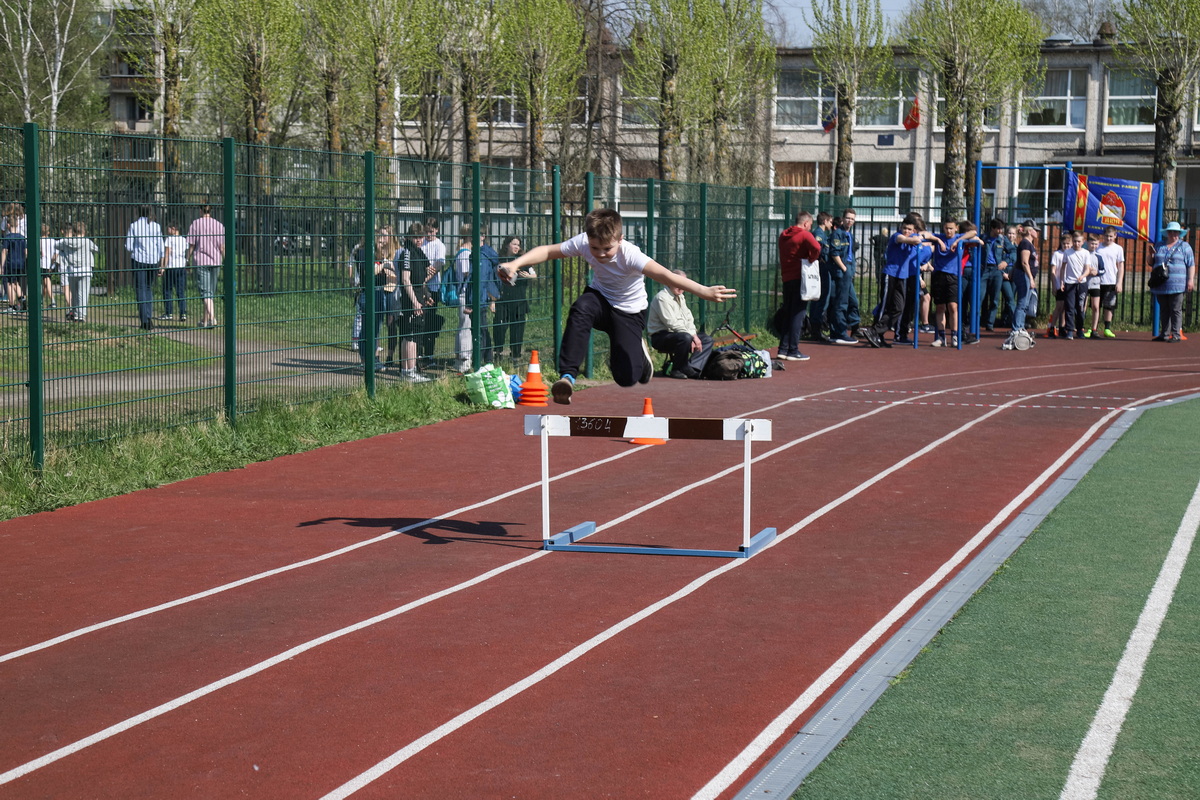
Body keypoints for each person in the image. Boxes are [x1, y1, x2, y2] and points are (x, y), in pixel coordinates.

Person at [497, 207, 735, 405]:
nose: (600, 254)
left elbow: (665, 276)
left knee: (626, 378)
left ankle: (638, 355)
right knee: (581, 307)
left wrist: (703, 290)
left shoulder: (631, 255)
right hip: (600, 299)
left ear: (619, 240)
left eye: (607, 249)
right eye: (594, 248)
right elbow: (549, 251)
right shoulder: (583, 241)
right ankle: (568, 375)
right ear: (588, 239)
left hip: (629, 312)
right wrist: (516, 263)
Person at [862, 214, 946, 348]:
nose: (906, 231)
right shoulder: (897, 237)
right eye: (904, 228)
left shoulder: (915, 237)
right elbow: (907, 239)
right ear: (901, 228)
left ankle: (876, 332)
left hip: (902, 278)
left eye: (909, 229)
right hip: (890, 275)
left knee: (898, 308)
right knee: (885, 306)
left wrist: (939, 241)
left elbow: (927, 236)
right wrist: (918, 238)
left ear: (913, 231)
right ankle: (876, 334)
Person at [648, 269, 715, 378]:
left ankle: (692, 367)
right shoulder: (662, 298)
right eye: (677, 284)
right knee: (685, 338)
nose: (681, 287)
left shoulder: (681, 297)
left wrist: (694, 336)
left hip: (682, 334)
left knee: (707, 340)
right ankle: (677, 369)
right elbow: (672, 323)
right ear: (669, 282)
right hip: (661, 337)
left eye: (683, 284)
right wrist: (692, 336)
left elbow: (689, 318)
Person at [776, 209, 820, 361]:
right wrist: (811, 258)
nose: (810, 228)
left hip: (787, 277)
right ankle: (793, 350)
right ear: (806, 223)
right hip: (801, 277)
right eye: (810, 225)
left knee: (788, 312)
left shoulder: (783, 235)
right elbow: (817, 249)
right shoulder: (805, 235)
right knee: (798, 314)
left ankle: (783, 348)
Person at [929, 219, 979, 347]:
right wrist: (939, 241)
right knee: (940, 307)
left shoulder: (959, 237)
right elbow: (923, 233)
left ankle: (955, 335)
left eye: (951, 228)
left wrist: (957, 241)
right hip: (939, 275)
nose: (948, 231)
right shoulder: (939, 237)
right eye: (946, 228)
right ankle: (941, 336)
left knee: (953, 306)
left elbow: (973, 233)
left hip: (954, 276)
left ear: (956, 228)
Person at [393, 221, 432, 382]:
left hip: (418, 298)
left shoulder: (419, 253)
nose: (419, 240)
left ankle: (409, 370)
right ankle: (408, 371)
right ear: (409, 237)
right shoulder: (407, 253)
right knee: (410, 337)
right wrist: (415, 302)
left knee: (413, 336)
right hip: (410, 301)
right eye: (416, 237)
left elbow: (421, 279)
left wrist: (426, 294)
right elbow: (405, 279)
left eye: (421, 237)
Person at [356, 229, 400, 370]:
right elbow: (368, 271)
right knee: (367, 329)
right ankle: (364, 361)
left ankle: (374, 359)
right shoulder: (362, 252)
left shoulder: (377, 254)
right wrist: (383, 265)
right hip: (368, 293)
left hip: (380, 292)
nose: (382, 243)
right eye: (379, 240)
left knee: (376, 329)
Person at [1150, 221, 1196, 343]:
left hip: (1177, 283)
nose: (1173, 234)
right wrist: (1151, 255)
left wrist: (1190, 280)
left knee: (1175, 309)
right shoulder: (1159, 245)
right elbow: (1151, 262)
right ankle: (1164, 333)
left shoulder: (1184, 246)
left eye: (1176, 232)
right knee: (1164, 309)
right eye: (1171, 232)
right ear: (1167, 233)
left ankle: (1176, 334)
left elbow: (1191, 264)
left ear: (1179, 234)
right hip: (1161, 283)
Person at [493, 235, 536, 360]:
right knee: (500, 326)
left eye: (518, 244)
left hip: (519, 300)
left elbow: (534, 275)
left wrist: (528, 276)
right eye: (514, 244)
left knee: (517, 328)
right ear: (507, 245)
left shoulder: (523, 260)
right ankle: (498, 352)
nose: (517, 247)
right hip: (502, 299)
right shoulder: (500, 259)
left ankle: (515, 354)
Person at [825, 209, 862, 345]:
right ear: (843, 219)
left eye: (852, 219)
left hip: (849, 271)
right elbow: (834, 253)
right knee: (841, 302)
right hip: (842, 271)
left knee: (853, 301)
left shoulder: (849, 235)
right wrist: (844, 268)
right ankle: (839, 333)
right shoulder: (838, 234)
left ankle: (854, 326)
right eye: (848, 218)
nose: (850, 221)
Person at [187, 204, 225, 329]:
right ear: (211, 211)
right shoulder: (219, 225)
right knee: (210, 293)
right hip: (215, 261)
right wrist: (225, 259)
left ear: (200, 210)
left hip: (201, 261)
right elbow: (222, 246)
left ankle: (212, 318)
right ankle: (204, 321)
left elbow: (191, 244)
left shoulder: (196, 224)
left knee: (205, 292)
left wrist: (187, 258)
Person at [127, 205, 164, 330]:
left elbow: (129, 246)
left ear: (138, 211)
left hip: (139, 260)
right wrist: (161, 262)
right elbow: (161, 247)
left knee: (140, 289)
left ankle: (144, 321)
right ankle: (148, 317)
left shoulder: (134, 226)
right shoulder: (156, 226)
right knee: (148, 289)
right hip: (153, 261)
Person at [56, 220, 99, 322]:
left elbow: (57, 245)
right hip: (85, 270)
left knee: (74, 293)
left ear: (74, 232)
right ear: (84, 232)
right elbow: (97, 249)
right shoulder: (87, 241)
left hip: (72, 270)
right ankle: (81, 315)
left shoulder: (67, 242)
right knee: (83, 292)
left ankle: (75, 313)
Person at [418, 218, 446, 365]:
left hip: (432, 287)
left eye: (431, 231)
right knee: (419, 320)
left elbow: (438, 265)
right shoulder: (422, 243)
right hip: (420, 286)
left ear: (436, 230)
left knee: (429, 321)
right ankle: (419, 354)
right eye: (426, 232)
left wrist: (425, 279)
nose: (428, 234)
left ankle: (429, 355)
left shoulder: (439, 245)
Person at [1057, 230, 1095, 340]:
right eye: (1074, 241)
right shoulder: (1067, 252)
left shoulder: (1085, 253)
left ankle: (1079, 330)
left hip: (1081, 284)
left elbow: (1087, 269)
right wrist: (1062, 282)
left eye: (1079, 241)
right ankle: (1069, 330)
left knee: (1080, 308)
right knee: (1069, 307)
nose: (1076, 244)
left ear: (1083, 242)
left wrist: (1083, 276)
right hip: (1070, 283)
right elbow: (1063, 267)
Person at [982, 218, 1015, 332]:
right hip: (984, 270)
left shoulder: (1002, 240)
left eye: (1002, 229)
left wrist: (1005, 261)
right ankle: (976, 322)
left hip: (997, 270)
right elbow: (973, 250)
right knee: (980, 297)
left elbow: (1013, 251)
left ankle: (990, 323)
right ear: (992, 228)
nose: (1001, 231)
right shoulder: (984, 238)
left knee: (995, 299)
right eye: (999, 229)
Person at [806, 211, 835, 343]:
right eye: (830, 221)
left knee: (822, 298)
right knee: (821, 299)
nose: (831, 224)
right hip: (821, 270)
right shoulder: (819, 234)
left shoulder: (824, 234)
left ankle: (817, 328)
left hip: (824, 269)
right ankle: (816, 329)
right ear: (824, 221)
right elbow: (819, 251)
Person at [1094, 225, 1125, 339]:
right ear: (1103, 235)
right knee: (1095, 306)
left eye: (1111, 236)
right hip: (1097, 281)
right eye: (1106, 236)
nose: (1108, 238)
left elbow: (1121, 266)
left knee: (1109, 306)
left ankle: (1107, 328)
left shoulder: (1118, 249)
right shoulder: (1098, 247)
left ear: (1115, 236)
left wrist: (1119, 282)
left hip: (1111, 280)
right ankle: (1094, 328)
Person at [1011, 223, 1039, 332]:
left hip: (1026, 276)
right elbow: (1024, 262)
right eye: (1035, 230)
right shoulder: (1026, 244)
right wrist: (1031, 278)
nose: (1037, 232)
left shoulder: (1029, 244)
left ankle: (1020, 327)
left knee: (1025, 304)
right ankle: (1016, 328)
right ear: (1029, 231)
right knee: (1022, 303)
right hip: (1024, 275)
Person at [159, 222, 189, 322]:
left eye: (168, 228)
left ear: (173, 228)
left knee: (167, 290)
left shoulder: (169, 239)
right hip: (181, 266)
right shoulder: (184, 240)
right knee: (180, 291)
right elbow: (186, 253)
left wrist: (163, 266)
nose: (167, 230)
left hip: (171, 267)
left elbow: (167, 253)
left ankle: (169, 313)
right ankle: (183, 313)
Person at [1045, 233, 1071, 338]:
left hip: (1069, 283)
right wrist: (1053, 285)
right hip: (1059, 284)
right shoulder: (1057, 254)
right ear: (1061, 244)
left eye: (1068, 244)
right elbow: (1053, 270)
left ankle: (1062, 327)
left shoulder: (1072, 254)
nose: (1066, 246)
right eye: (1064, 244)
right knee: (1059, 306)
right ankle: (1052, 326)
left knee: (1065, 307)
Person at [1, 212, 27, 313]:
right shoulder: (22, 237)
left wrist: (1, 265)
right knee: (16, 282)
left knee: (9, 283)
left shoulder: (7, 238)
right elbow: (26, 252)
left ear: (8, 225)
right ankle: (22, 299)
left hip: (10, 262)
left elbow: (4, 251)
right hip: (20, 263)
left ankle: (12, 305)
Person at [39, 222, 59, 310]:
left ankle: (53, 301)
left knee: (46, 281)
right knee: (45, 283)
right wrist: (52, 263)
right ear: (48, 232)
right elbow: (56, 254)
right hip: (50, 264)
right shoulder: (53, 241)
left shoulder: (39, 240)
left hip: (42, 263)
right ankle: (41, 300)